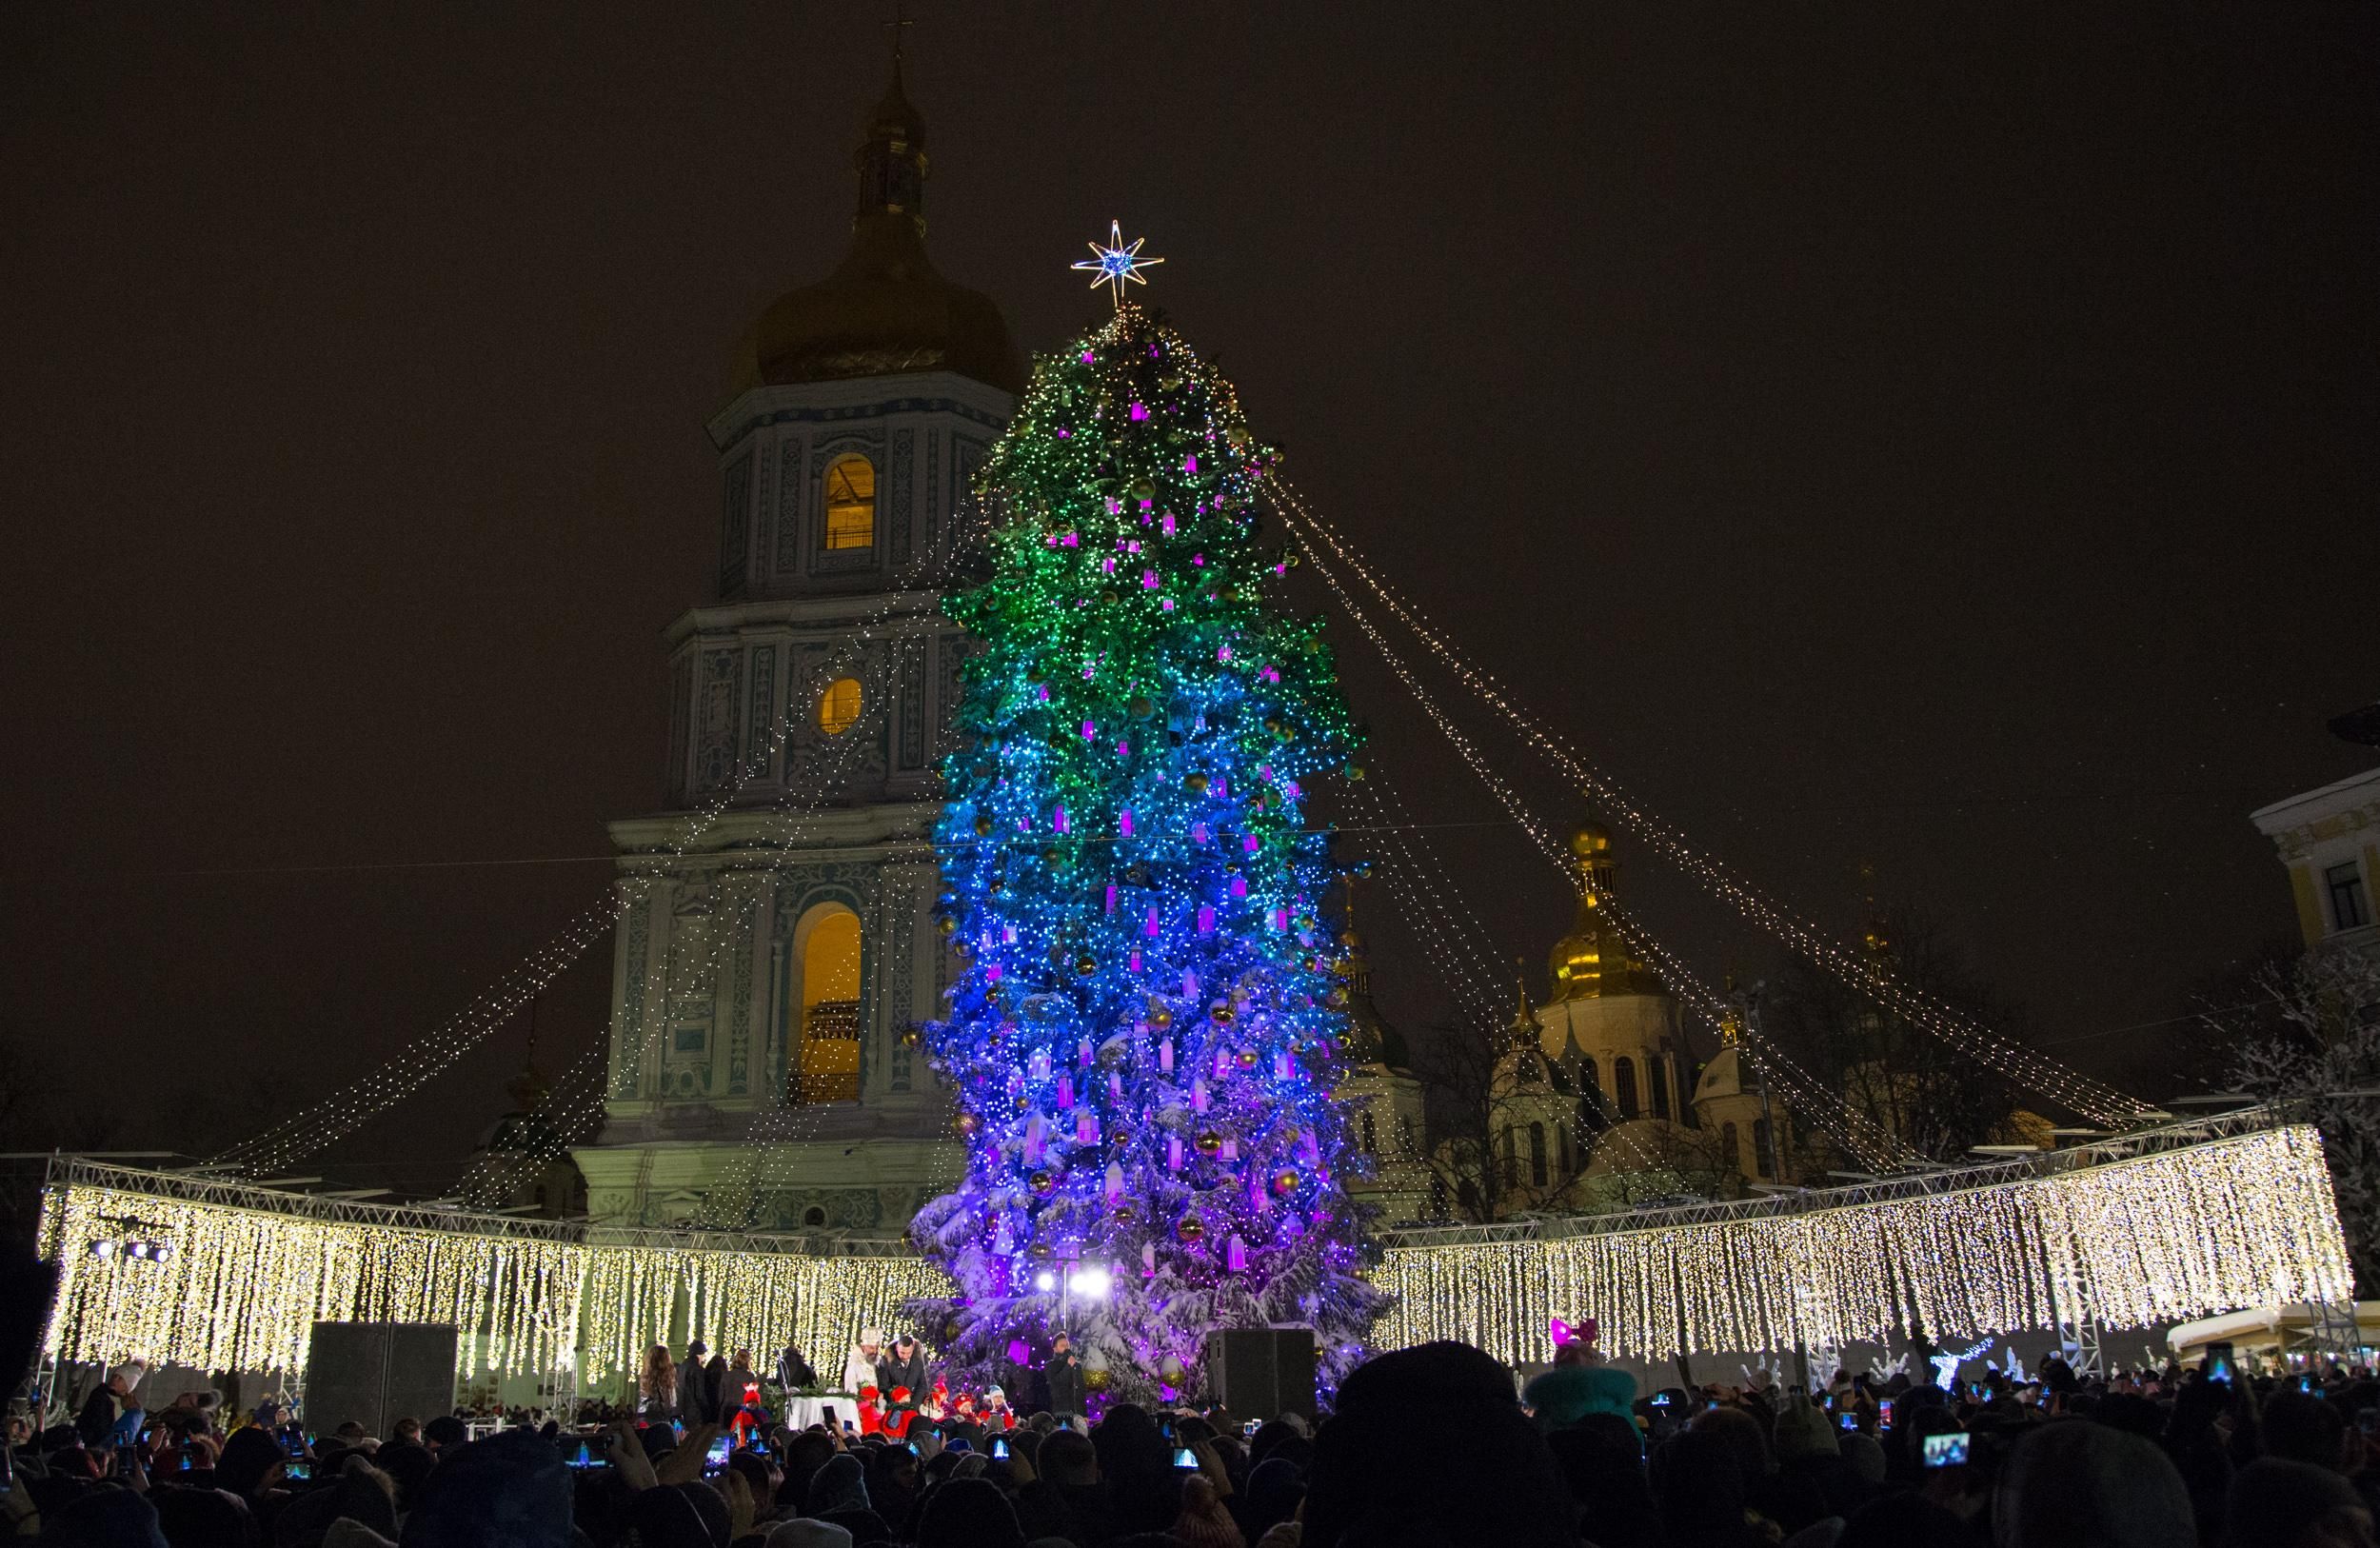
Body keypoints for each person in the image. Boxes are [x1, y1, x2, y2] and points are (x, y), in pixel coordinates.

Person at [1044, 1333, 1085, 1419]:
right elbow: (1057, 1383)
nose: (1066, 1348)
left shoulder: (1077, 1366)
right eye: (1062, 1345)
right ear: (1055, 1349)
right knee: (1064, 1432)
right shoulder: (1051, 1365)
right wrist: (1068, 1366)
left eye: (1067, 1345)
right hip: (1062, 1412)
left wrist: (1084, 1413)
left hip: (1078, 1412)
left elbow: (1081, 1390)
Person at [641, 1342, 679, 1420]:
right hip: (663, 1420)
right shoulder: (669, 1379)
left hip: (646, 1419)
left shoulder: (645, 1378)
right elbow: (672, 1404)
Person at [843, 1330, 884, 1395]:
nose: (875, 1351)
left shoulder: (875, 1363)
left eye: (876, 1348)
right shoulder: (854, 1365)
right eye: (871, 1348)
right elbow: (851, 1390)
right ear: (863, 1347)